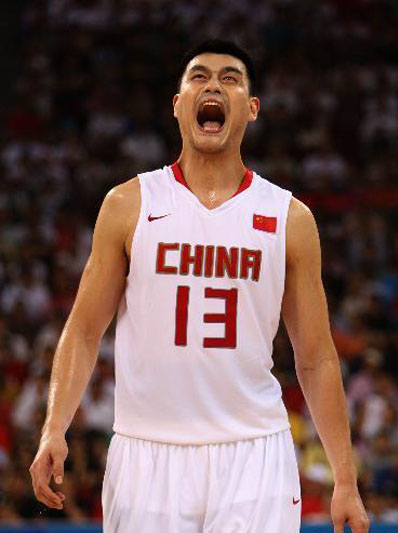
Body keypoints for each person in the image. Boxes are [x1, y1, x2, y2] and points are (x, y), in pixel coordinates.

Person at [29, 39, 370, 533]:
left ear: (252, 108)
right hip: (147, 452)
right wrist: (53, 427)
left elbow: (316, 357)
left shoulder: (289, 217)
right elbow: (83, 331)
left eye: (231, 78)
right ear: (178, 104)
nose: (214, 85)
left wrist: (345, 478)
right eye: (199, 76)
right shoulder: (129, 204)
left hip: (254, 453)